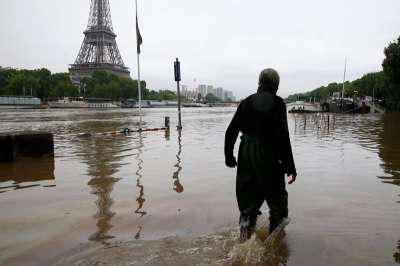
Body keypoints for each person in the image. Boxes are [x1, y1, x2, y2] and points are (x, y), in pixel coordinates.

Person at [224, 68, 297, 241]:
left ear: (259, 82)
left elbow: (231, 132)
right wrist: (290, 166)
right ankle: (274, 249)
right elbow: (283, 137)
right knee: (278, 206)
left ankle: (243, 244)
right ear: (275, 85)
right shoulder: (279, 104)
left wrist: (229, 157)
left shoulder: (245, 102)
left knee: (248, 206)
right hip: (268, 154)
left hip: (246, 153)